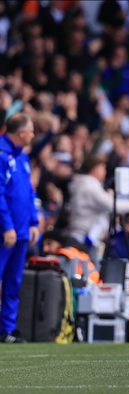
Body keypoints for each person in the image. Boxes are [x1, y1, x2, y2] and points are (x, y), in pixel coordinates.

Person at [0, 113, 39, 343]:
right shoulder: (2, 155)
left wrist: (33, 222)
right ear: (21, 132)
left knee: (13, 282)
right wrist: (7, 226)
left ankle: (7, 330)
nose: (33, 134)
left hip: (22, 232)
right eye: (31, 130)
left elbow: (28, 193)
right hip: (6, 232)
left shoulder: (22, 158)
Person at [67, 156, 129, 264]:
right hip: (81, 239)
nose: (105, 172)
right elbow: (110, 204)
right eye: (103, 169)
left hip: (88, 239)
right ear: (96, 169)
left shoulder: (90, 186)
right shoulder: (88, 186)